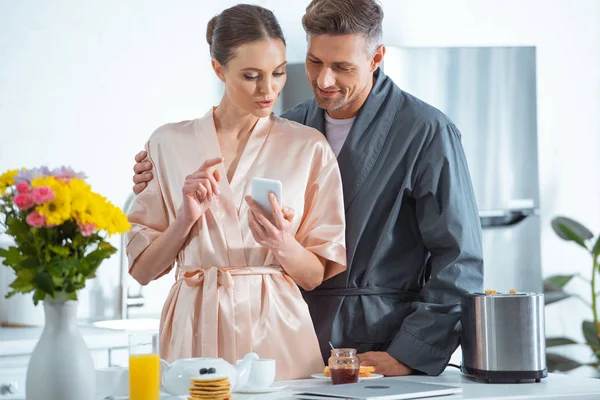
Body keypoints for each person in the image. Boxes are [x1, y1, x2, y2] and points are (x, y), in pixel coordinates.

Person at [133, 0, 483, 377]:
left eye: (343, 67)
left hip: (380, 342)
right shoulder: (292, 124)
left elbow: (459, 257)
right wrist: (162, 176)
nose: (324, 80)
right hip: (286, 332)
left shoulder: (425, 132)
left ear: (376, 57)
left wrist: (410, 352)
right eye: (315, 62)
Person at [126, 4, 347, 381]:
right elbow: (143, 271)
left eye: (278, 73)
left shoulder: (309, 147)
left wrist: (281, 242)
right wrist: (184, 220)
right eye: (251, 76)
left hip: (277, 332)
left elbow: (314, 276)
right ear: (218, 69)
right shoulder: (167, 143)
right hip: (192, 325)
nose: (268, 89)